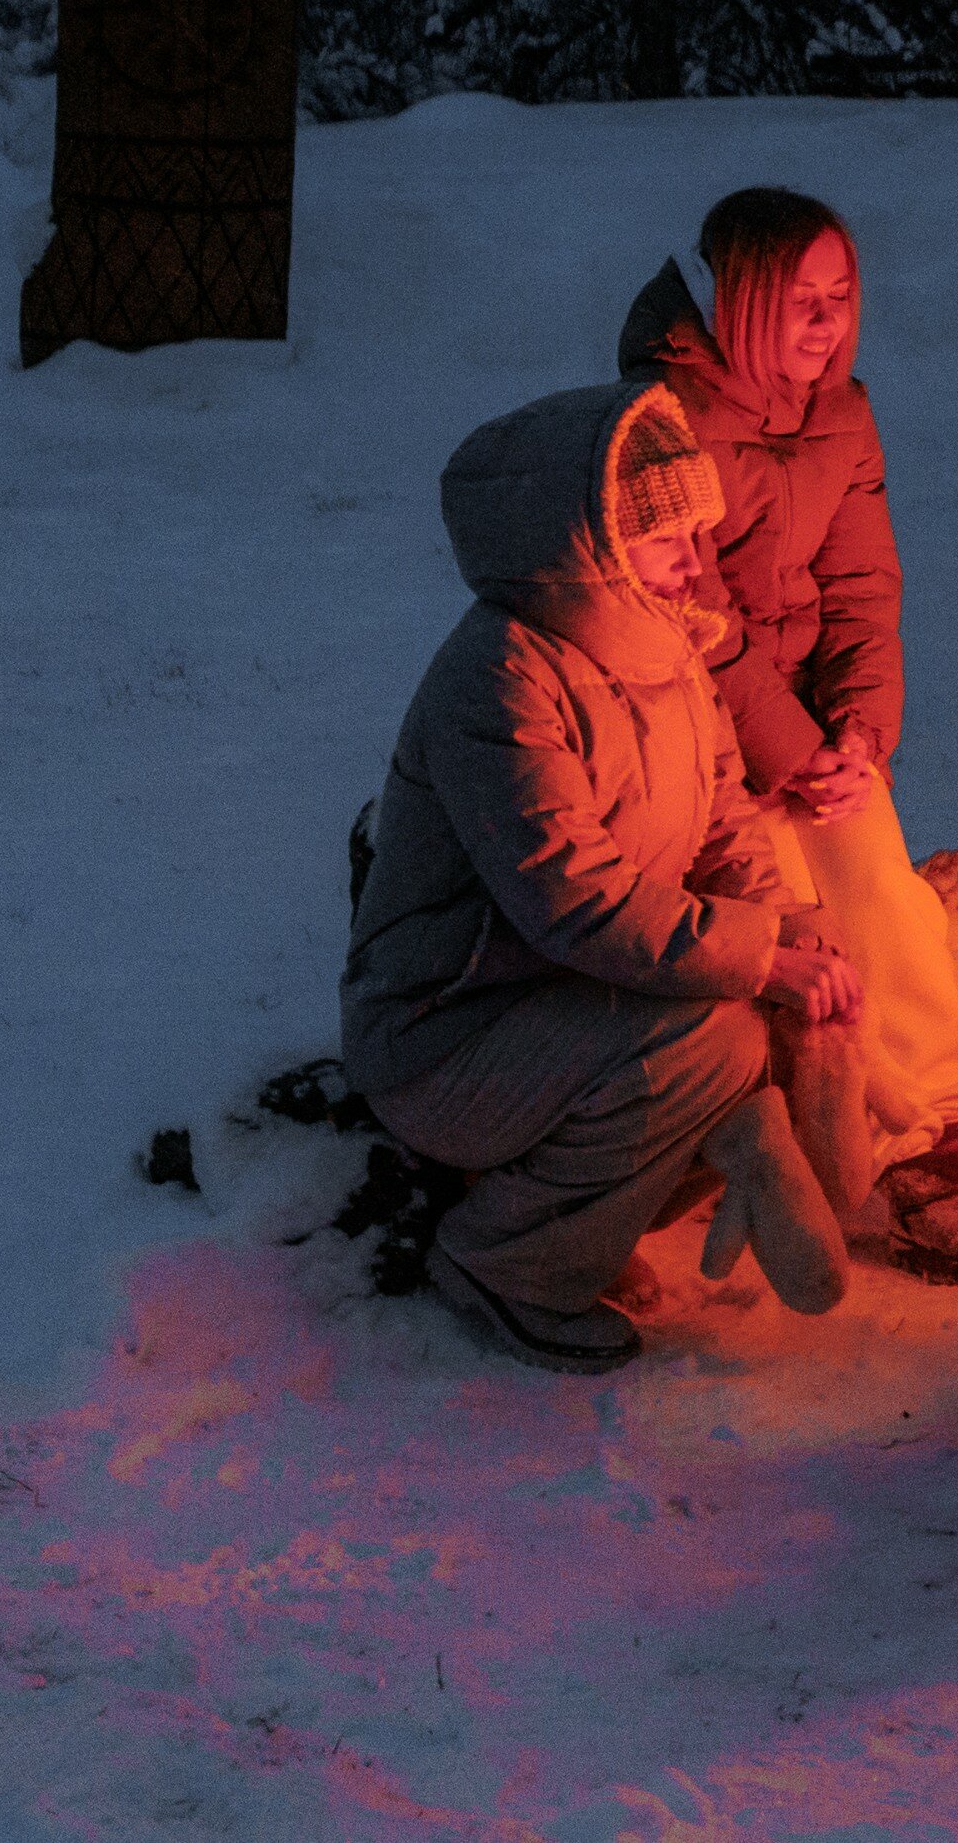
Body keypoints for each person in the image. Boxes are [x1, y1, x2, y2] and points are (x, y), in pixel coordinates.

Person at [338, 380, 870, 1372]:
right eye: (670, 543)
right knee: (708, 1041)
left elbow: (723, 822)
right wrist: (758, 960)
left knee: (754, 1011)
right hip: (449, 1033)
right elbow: (573, 899)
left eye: (701, 537)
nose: (698, 567)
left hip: (578, 1006)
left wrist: (789, 929)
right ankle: (507, 1259)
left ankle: (580, 1219)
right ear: (588, 550)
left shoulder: (669, 652)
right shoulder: (499, 680)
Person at [614, 188, 958, 1292]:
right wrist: (788, 748)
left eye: (841, 297)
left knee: (879, 888)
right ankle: (871, 1144)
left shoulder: (841, 416)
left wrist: (858, 732)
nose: (824, 321)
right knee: (795, 912)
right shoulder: (661, 421)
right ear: (740, 302)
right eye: (799, 300)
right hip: (691, 726)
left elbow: (861, 587)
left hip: (804, 726)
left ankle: (940, 1133)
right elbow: (691, 613)